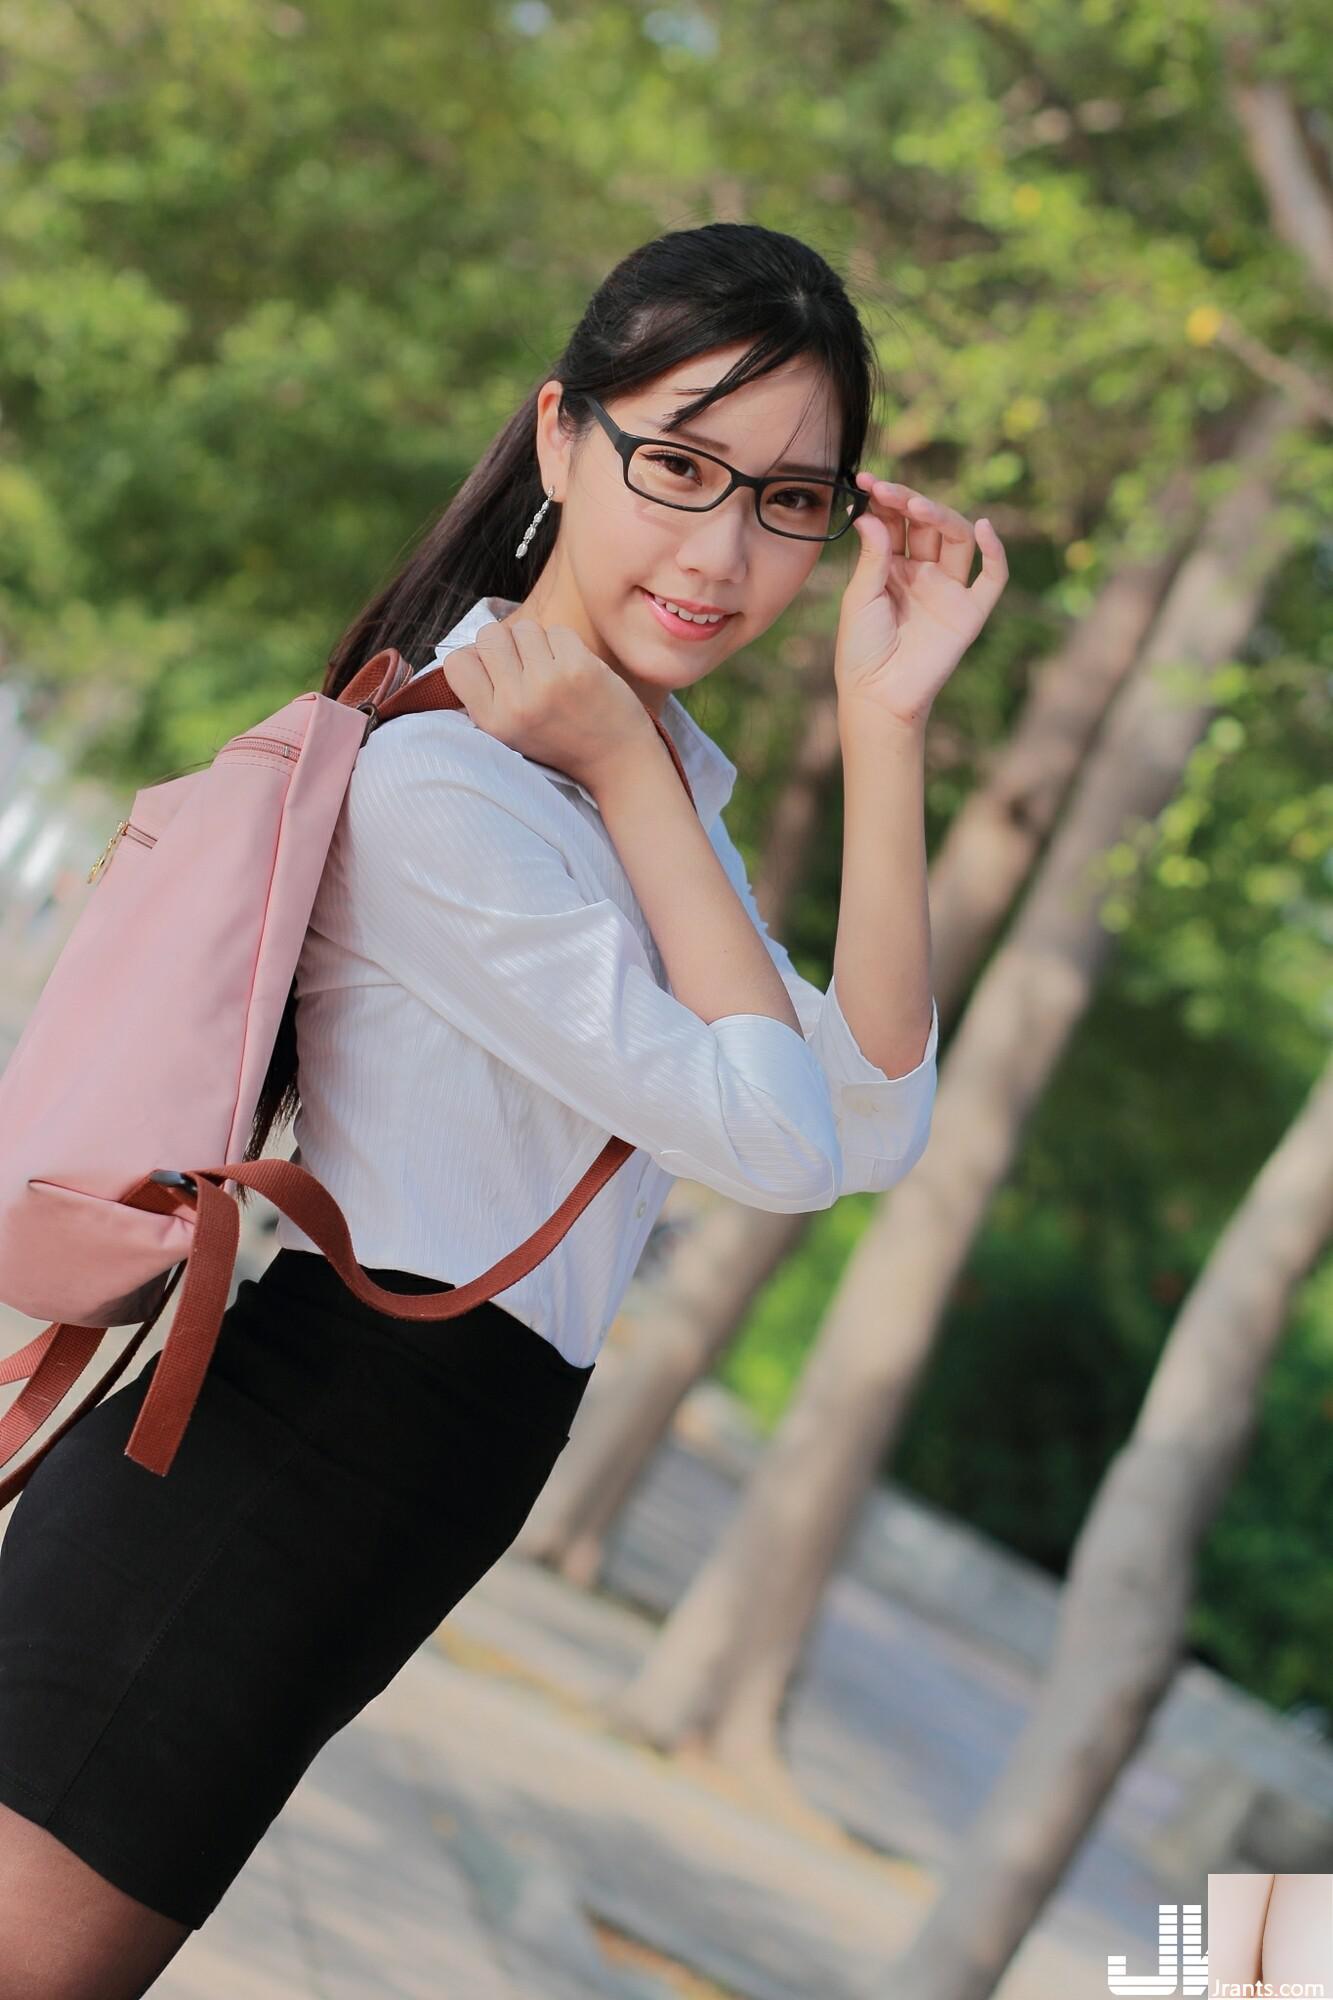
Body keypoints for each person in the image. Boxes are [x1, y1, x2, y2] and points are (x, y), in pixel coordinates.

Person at [0, 219, 1006, 1998]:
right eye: (680, 466)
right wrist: (624, 776)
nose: (724, 550)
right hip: (269, 1456)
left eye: (788, 502)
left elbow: (867, 1118)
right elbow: (768, 1143)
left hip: (397, 1479)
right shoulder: (452, 794)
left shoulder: (651, 796)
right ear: (560, 439)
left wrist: (888, 727)